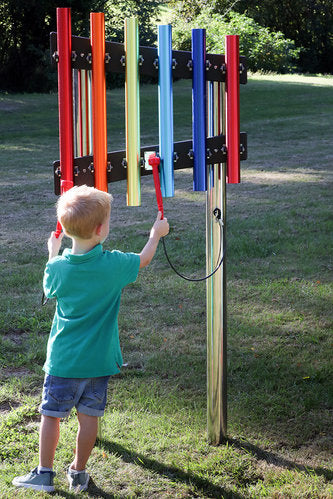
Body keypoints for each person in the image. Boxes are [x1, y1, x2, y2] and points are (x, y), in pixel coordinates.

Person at [12, 185, 169, 492]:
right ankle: (78, 473)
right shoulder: (114, 265)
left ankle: (44, 473)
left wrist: (52, 251)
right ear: (101, 230)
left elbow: (48, 288)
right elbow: (144, 259)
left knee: (51, 416)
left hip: (63, 361)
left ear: (68, 230)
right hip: (99, 362)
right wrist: (156, 234)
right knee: (89, 420)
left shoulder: (57, 268)